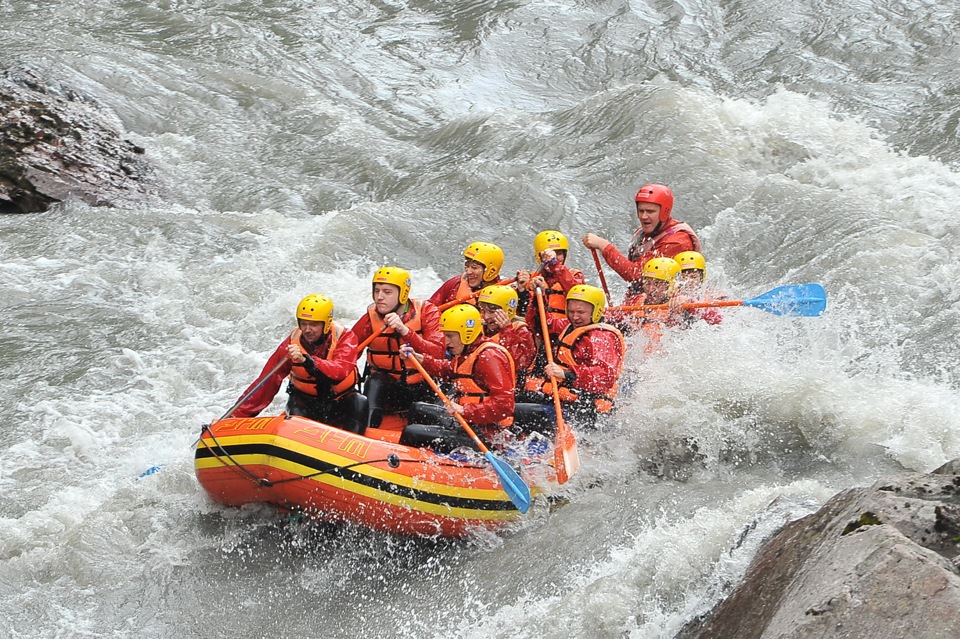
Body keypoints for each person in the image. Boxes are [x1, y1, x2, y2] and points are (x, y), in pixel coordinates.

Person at [232, 294, 366, 434]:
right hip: (305, 403)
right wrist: (235, 416)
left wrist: (307, 361)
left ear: (326, 324)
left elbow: (339, 371)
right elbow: (266, 383)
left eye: (313, 325)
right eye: (303, 323)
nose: (307, 329)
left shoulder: (345, 337)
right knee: (296, 410)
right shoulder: (291, 344)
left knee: (360, 402)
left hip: (338, 403)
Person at [400, 304, 517, 453]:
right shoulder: (468, 351)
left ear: (466, 334)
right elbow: (448, 369)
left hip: (487, 437)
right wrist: (421, 359)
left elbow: (505, 405)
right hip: (469, 424)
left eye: (450, 336)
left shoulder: (489, 356)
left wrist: (465, 410)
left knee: (412, 433)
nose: (446, 342)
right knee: (417, 408)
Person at [518, 284, 625, 431]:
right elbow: (542, 325)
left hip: (584, 410)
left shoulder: (601, 338)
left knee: (515, 411)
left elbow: (603, 377)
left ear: (596, 311)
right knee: (512, 398)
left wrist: (565, 374)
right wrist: (538, 299)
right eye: (571, 311)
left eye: (581, 312)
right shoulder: (569, 326)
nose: (575, 317)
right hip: (560, 399)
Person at [350, 266, 446, 431]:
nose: (379, 297)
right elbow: (347, 354)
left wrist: (405, 331)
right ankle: (366, 432)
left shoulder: (426, 312)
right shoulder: (369, 319)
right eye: (377, 291)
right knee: (375, 381)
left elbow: (438, 352)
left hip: (422, 387)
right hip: (389, 391)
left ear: (403, 294)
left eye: (387, 292)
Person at [582, 183, 701, 305]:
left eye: (650, 211)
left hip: (670, 307)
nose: (644, 216)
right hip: (647, 301)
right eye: (640, 211)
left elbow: (637, 276)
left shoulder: (677, 241)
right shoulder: (643, 233)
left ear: (664, 212)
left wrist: (604, 246)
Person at [517, 230, 586, 322]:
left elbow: (577, 294)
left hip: (566, 328)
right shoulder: (530, 279)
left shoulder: (575, 276)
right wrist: (521, 291)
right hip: (539, 329)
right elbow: (525, 313)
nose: (553, 257)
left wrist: (555, 265)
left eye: (559, 253)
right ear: (539, 256)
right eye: (548, 254)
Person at [476, 284, 536, 379]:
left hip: (511, 384)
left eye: (492, 312)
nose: (486, 317)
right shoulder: (479, 328)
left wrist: (506, 330)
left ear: (507, 311)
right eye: (483, 311)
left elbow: (520, 364)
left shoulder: (522, 331)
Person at [428, 241, 506, 308]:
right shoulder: (455, 284)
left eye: (474, 267)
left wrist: (519, 292)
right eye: (467, 266)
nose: (468, 272)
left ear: (491, 272)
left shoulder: (504, 293)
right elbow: (429, 308)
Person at [674, 250, 723, 326]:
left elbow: (719, 319)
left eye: (693, 277)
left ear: (701, 277)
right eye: (683, 277)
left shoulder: (713, 295)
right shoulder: (670, 295)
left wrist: (689, 302)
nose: (688, 281)